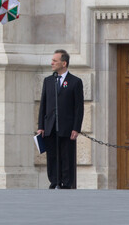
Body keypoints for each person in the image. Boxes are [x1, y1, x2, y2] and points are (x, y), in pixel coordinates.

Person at [37, 49, 84, 189]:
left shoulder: (75, 82)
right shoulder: (48, 81)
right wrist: (41, 126)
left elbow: (79, 107)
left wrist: (76, 128)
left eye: (55, 61)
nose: (51, 63)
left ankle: (66, 184)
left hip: (67, 127)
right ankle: (54, 182)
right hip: (50, 127)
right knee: (52, 157)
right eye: (52, 60)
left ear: (64, 63)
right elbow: (43, 105)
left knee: (66, 157)